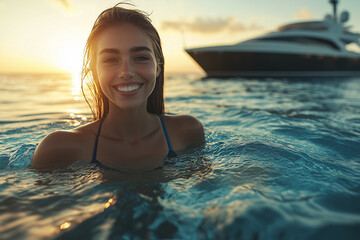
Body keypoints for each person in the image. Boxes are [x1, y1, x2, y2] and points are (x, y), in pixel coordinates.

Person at [31, 5, 205, 172]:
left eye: (141, 57)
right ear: (94, 71)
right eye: (111, 60)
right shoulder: (59, 148)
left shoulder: (187, 131)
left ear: (157, 66)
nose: (126, 72)